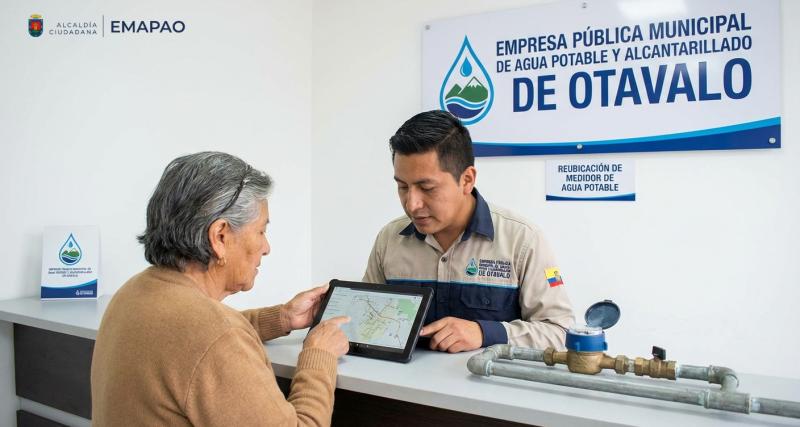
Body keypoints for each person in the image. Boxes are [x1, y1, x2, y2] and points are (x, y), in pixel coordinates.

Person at [91, 152, 349, 426]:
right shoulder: (215, 335)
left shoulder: (133, 293)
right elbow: (213, 339)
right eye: (261, 231)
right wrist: (319, 355)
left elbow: (194, 339)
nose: (266, 247)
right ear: (220, 237)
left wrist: (283, 318)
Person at [363, 110, 575, 353]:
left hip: (490, 389)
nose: (412, 204)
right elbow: (366, 323)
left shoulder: (523, 241)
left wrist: (485, 333)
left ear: (467, 180)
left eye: (426, 187)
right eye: (402, 186)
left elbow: (560, 331)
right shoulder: (389, 240)